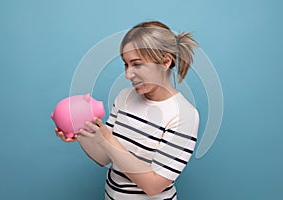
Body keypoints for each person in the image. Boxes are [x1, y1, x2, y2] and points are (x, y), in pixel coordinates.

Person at [55, 20, 199, 200]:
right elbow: (104, 158)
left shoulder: (185, 115)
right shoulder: (124, 97)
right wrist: (82, 132)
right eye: (126, 64)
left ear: (165, 61)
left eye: (137, 64)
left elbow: (153, 186)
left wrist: (107, 137)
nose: (128, 74)